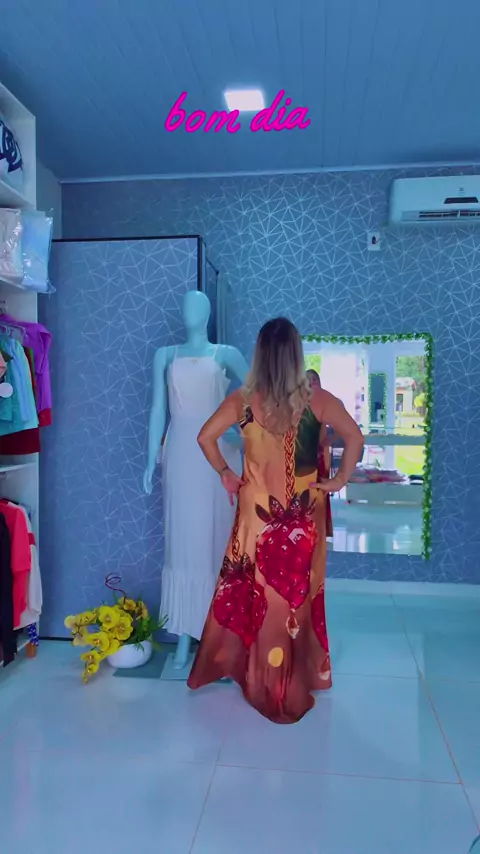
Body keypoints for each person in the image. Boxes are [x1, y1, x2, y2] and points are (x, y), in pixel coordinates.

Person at [187, 318, 364, 724]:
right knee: (295, 596)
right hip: (302, 517)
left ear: (261, 355)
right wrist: (339, 480)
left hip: (257, 513)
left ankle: (255, 670)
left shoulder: (243, 401)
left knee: (255, 590)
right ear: (297, 355)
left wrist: (225, 474)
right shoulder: (319, 401)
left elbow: (204, 437)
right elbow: (355, 436)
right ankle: (288, 677)